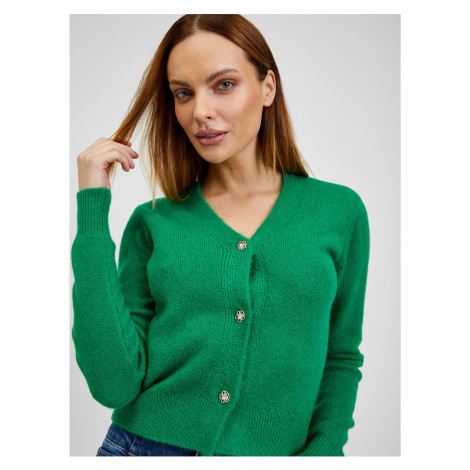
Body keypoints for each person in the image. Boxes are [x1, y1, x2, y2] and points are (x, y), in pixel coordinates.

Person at [71, 14, 370, 457]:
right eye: (183, 93)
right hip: (142, 449)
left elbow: (341, 355)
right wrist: (92, 213)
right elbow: (113, 383)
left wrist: (322, 453)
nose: (200, 111)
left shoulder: (338, 212)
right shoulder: (154, 223)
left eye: (224, 84)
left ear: (268, 87)